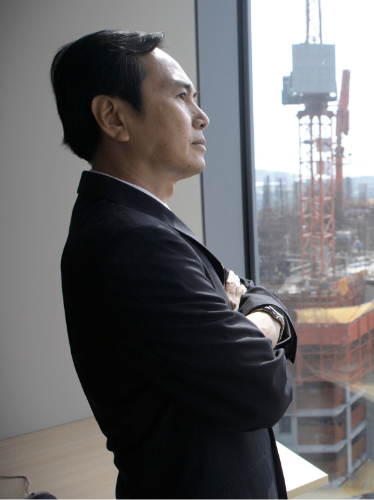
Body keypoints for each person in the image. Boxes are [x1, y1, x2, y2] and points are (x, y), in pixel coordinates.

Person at [53, 30, 297, 498]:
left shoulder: (139, 224)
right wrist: (266, 322)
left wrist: (245, 316)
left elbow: (247, 289)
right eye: (182, 96)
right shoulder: (132, 243)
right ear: (114, 117)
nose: (202, 116)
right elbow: (262, 389)